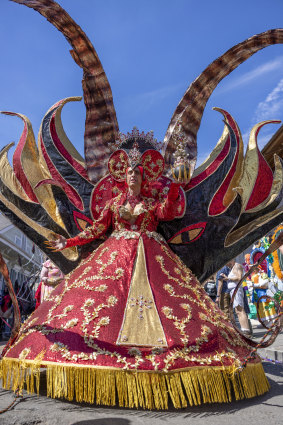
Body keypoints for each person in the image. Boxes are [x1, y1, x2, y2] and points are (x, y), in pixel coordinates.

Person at [1, 139, 269, 409]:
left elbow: (168, 211)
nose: (132, 175)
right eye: (129, 172)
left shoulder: (153, 203)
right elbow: (96, 230)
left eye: (137, 172)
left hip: (154, 258)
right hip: (114, 257)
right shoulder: (114, 204)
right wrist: (67, 243)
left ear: (143, 178)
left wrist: (176, 184)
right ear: (122, 177)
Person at [222, 262, 251, 336]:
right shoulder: (232, 268)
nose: (226, 264)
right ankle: (244, 329)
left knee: (240, 309)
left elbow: (239, 277)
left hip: (237, 289)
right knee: (237, 310)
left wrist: (228, 278)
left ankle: (246, 330)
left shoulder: (237, 265)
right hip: (233, 290)